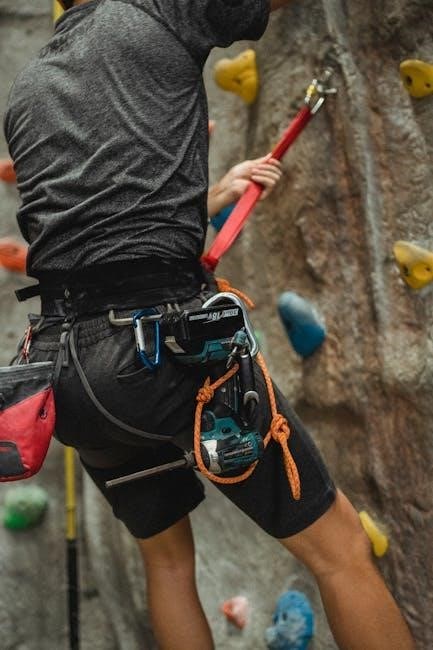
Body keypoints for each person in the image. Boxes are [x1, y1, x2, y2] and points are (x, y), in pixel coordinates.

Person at [3, 1, 415, 649]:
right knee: (340, 552)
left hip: (64, 373)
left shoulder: (27, 91)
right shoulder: (155, 10)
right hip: (164, 350)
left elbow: (104, 222)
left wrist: (215, 194)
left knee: (167, 564)